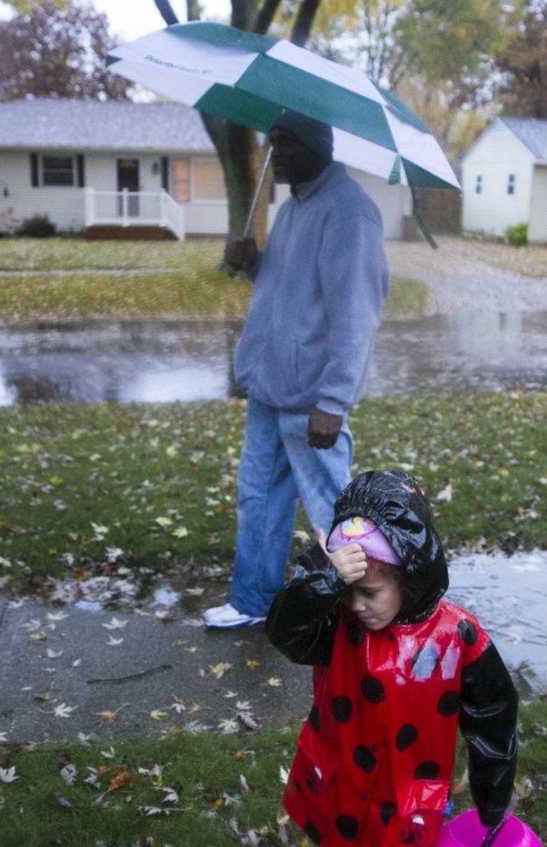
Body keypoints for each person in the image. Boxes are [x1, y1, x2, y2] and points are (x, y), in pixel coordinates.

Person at [266, 469, 518, 847]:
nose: (357, 606)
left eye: (369, 591)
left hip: (410, 798)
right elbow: (285, 632)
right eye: (348, 591)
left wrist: (492, 801)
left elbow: (494, 720)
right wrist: (324, 582)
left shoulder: (457, 638)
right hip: (341, 778)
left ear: (410, 575)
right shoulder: (331, 619)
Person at [203, 109, 390, 628]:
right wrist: (253, 263)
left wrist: (334, 401)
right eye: (271, 142)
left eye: (285, 143)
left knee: (334, 510)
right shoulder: (292, 209)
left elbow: (355, 314)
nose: (274, 154)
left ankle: (373, 606)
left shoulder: (349, 213)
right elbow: (290, 289)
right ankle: (251, 601)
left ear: (319, 145)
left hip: (311, 398)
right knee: (258, 499)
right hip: (270, 389)